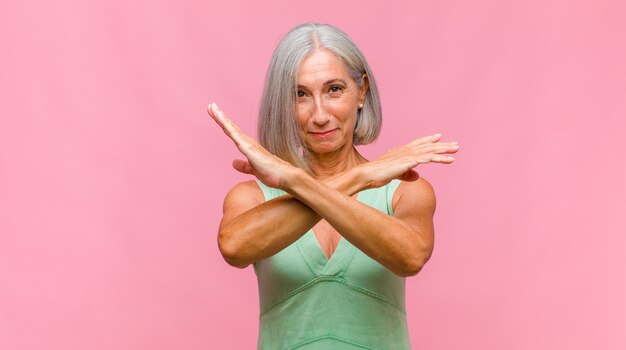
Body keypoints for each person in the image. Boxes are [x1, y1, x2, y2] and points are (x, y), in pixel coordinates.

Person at [207, 23, 459, 349]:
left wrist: (293, 180)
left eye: (334, 89)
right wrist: (357, 177)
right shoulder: (253, 196)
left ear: (362, 91)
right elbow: (234, 248)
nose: (320, 114)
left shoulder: (404, 191)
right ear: (282, 104)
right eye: (300, 95)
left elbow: (410, 257)